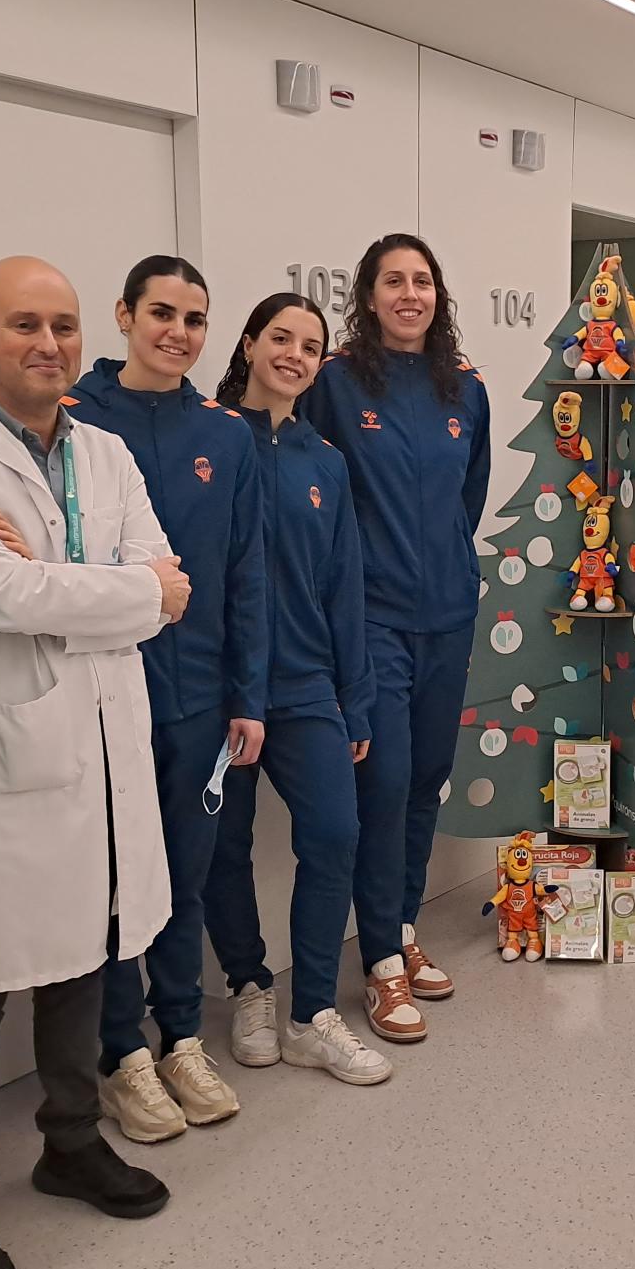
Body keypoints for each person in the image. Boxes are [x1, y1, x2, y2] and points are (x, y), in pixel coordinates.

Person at [0, 256, 185, 1269]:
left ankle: (71, 1142)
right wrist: (121, 588)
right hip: (11, 754)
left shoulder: (107, 451)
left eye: (64, 326)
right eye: (24, 324)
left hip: (108, 740)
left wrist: (83, 587)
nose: (50, 343)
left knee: (86, 956)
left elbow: (171, 589)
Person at [59, 255, 269, 1142]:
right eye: (162, 313)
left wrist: (246, 694)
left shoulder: (226, 436)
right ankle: (121, 1054)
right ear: (123, 315)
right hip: (100, 696)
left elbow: (248, 572)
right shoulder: (72, 419)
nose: (177, 332)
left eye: (194, 318)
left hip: (195, 698)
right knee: (114, 882)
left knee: (184, 873)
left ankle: (181, 1033)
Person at [298, 233, 490, 1045]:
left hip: (448, 612)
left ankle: (403, 929)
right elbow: (311, 491)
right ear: (368, 296)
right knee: (387, 783)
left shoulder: (466, 389)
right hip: (372, 618)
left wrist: (443, 567)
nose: (409, 294)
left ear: (437, 296)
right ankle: (378, 960)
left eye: (422, 281)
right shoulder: (337, 383)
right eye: (393, 281)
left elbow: (468, 497)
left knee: (426, 781)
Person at [208, 293, 390, 1084]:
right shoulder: (208, 439)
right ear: (249, 345)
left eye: (310, 345)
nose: (293, 353)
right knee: (225, 845)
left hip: (307, 681)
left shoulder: (325, 459)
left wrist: (356, 695)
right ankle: (248, 983)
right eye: (279, 337)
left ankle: (312, 1009)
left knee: (335, 833)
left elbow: (345, 585)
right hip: (220, 687)